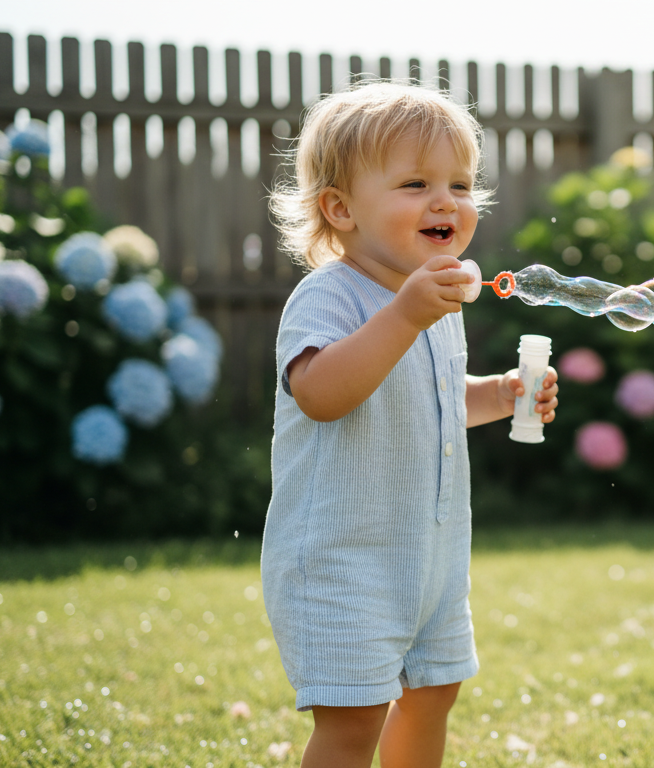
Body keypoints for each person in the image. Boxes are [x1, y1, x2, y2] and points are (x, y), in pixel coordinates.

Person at [263, 81, 559, 768]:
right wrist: (404, 316)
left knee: (435, 693)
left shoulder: (431, 298)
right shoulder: (329, 294)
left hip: (428, 559)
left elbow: (435, 398)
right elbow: (322, 394)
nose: (446, 201)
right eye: (415, 182)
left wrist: (502, 392)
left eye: (460, 183)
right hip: (342, 558)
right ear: (340, 209)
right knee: (353, 718)